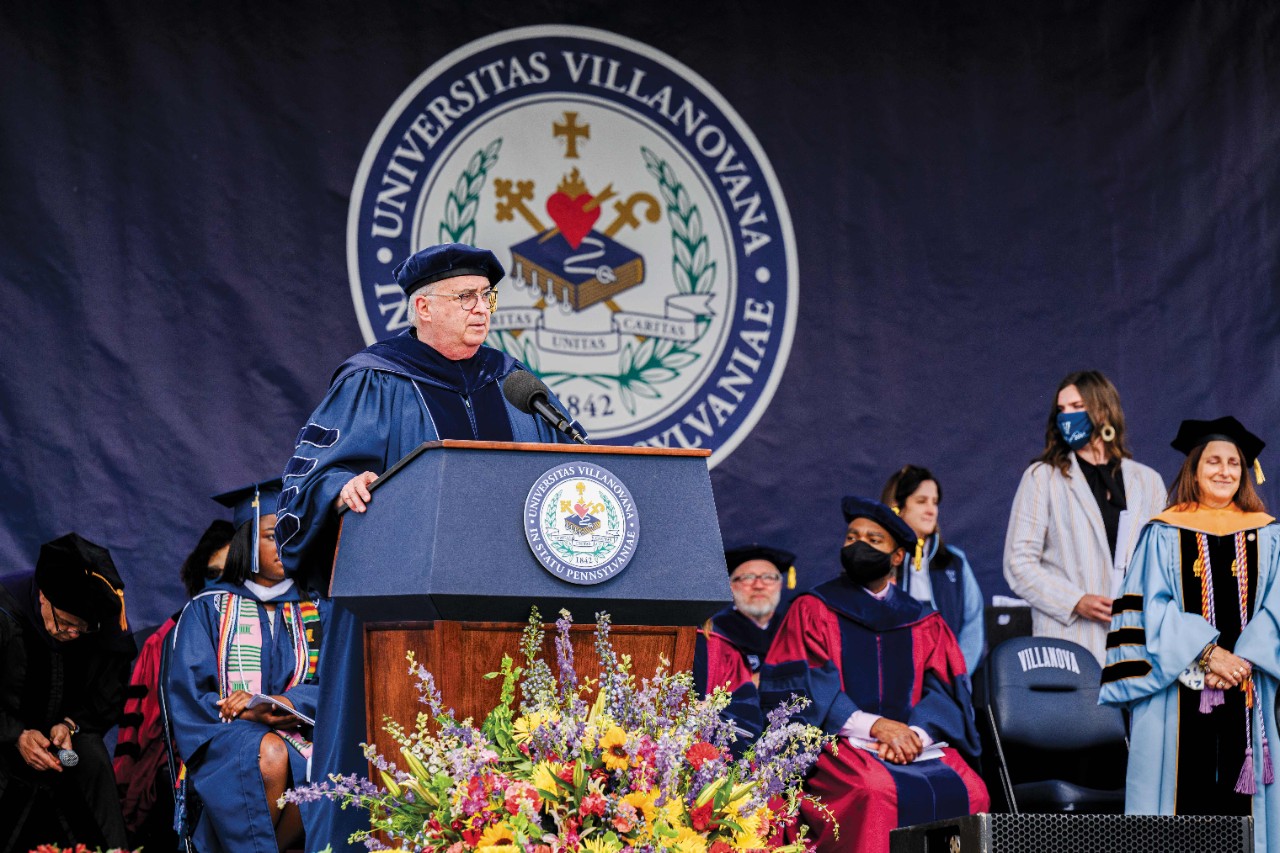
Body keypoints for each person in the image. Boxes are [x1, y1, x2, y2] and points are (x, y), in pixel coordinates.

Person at [276, 242, 581, 850]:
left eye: (487, 297)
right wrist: (341, 488)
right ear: (422, 307)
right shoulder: (374, 379)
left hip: (512, 603)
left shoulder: (515, 384)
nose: (481, 310)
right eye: (464, 298)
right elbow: (309, 477)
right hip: (397, 611)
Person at [762, 496, 988, 853]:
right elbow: (803, 689)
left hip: (915, 746)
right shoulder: (814, 609)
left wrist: (913, 734)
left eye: (873, 539)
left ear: (897, 557)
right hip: (839, 741)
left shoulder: (923, 620)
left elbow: (945, 693)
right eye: (852, 538)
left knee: (972, 791)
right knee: (873, 789)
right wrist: (875, 726)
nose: (858, 546)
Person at [1101, 417, 1280, 852]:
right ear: (1194, 470)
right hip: (1176, 693)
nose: (1224, 471)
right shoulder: (1163, 531)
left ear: (1244, 471)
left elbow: (1278, 606)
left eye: (1234, 463)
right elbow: (1147, 608)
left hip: (1248, 686)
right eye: (1213, 461)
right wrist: (1207, 653)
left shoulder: (1268, 533)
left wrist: (1244, 660)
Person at [167, 479, 326, 852]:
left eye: (293, 534)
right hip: (224, 735)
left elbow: (334, 683)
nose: (285, 545)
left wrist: (285, 704)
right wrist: (247, 713)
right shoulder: (207, 608)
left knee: (334, 766)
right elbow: (189, 697)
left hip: (300, 728)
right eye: (274, 535)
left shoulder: (315, 611)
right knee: (269, 755)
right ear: (246, 542)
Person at [1003, 369, 1166, 665]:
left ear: (1104, 410)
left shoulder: (1147, 481)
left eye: (1077, 407)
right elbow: (1018, 563)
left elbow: (1162, 562)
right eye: (1061, 410)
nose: (1067, 417)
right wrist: (1075, 600)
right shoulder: (1042, 477)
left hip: (1136, 645)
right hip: (1069, 644)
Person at [0, 532, 135, 853]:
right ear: (44, 596)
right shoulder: (5, 612)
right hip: (3, 736)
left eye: (82, 628)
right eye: (65, 623)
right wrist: (16, 734)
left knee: (91, 762)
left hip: (66, 738)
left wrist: (72, 723)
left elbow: (108, 689)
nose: (73, 634)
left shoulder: (98, 623)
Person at [112, 518, 235, 852]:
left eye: (231, 575)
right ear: (199, 577)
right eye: (212, 574)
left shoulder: (281, 629)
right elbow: (136, 736)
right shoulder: (165, 640)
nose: (220, 586)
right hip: (177, 772)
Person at [881, 465, 986, 673]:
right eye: (921, 501)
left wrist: (957, 673)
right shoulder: (880, 561)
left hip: (946, 683)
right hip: (891, 680)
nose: (931, 510)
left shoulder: (955, 562)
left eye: (935, 502)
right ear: (897, 506)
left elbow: (973, 623)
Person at [693, 544, 796, 751]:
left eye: (768, 577)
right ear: (731, 586)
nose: (758, 585)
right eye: (747, 577)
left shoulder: (794, 632)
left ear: (781, 585)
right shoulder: (713, 634)